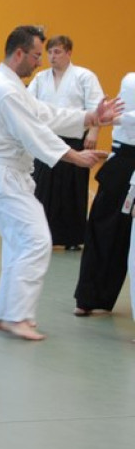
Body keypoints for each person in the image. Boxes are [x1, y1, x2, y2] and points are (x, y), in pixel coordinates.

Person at [0, 25, 119, 341]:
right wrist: (74, 156)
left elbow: (44, 113)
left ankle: (4, 314)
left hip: (8, 176)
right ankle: (18, 316)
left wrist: (90, 117)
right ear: (19, 54)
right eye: (37, 55)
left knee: (19, 245)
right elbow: (33, 132)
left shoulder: (11, 86)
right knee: (37, 240)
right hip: (4, 176)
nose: (40, 62)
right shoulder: (5, 89)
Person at [28, 36, 106, 250]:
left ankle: (72, 237)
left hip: (75, 138)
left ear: (69, 53)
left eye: (58, 52)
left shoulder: (84, 76)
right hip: (46, 138)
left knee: (73, 189)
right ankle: (44, 235)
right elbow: (28, 105)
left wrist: (94, 132)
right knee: (42, 188)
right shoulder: (40, 78)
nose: (53, 56)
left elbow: (97, 106)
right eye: (50, 52)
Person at [73, 72, 135, 318]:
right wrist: (112, 120)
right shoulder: (130, 80)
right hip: (124, 162)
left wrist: (114, 120)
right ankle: (90, 296)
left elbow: (117, 117)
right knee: (103, 229)